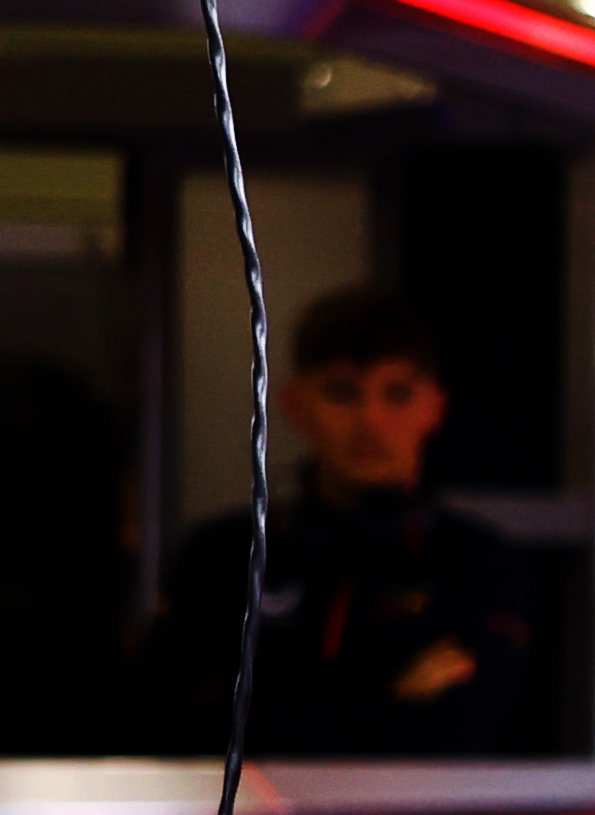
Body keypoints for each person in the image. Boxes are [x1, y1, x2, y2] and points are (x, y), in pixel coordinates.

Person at [154, 285, 533, 756]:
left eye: (396, 393)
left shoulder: (480, 563)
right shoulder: (222, 555)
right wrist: (392, 699)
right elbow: (180, 728)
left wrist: (275, 710)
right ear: (295, 404)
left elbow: (461, 734)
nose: (369, 419)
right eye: (342, 393)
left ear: (434, 406)